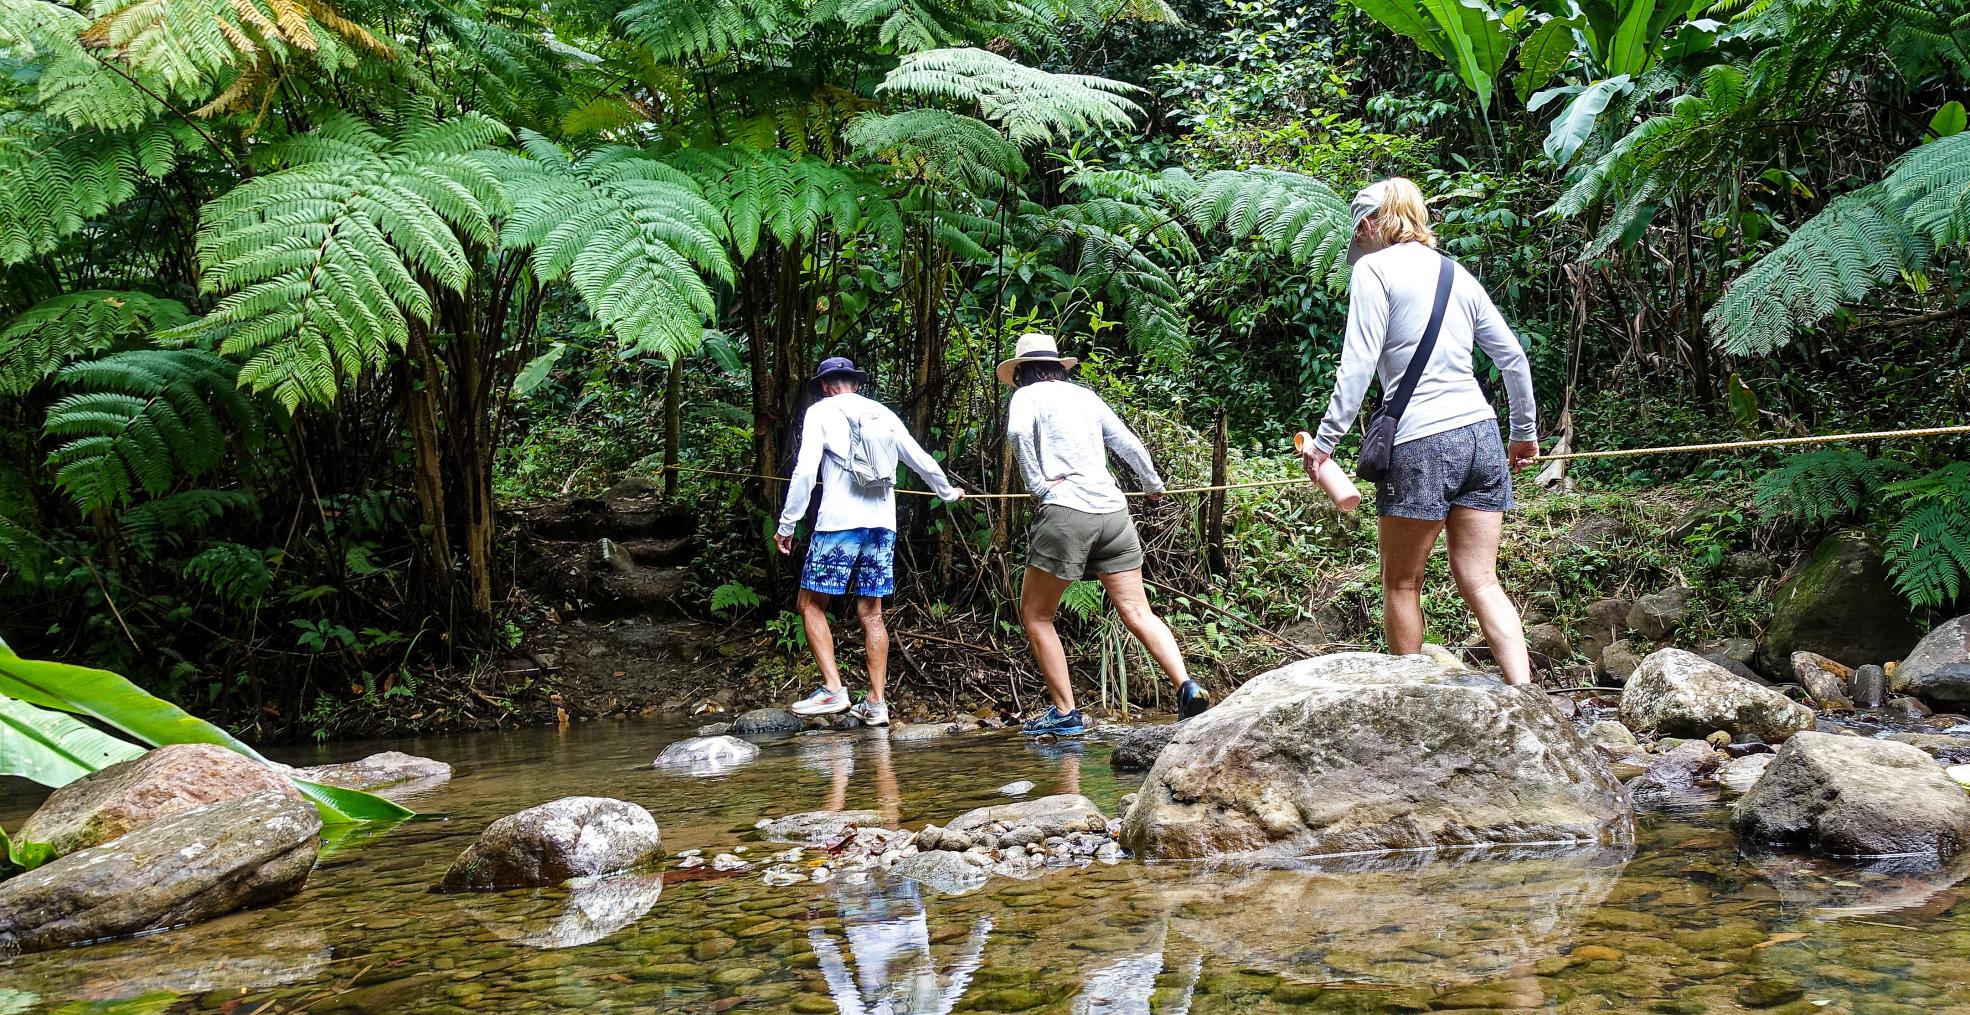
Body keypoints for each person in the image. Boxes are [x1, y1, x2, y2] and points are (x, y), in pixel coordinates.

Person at [1300, 178, 1540, 684]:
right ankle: (1526, 695)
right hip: (1480, 436)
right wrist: (1523, 432)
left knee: (1401, 583)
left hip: (1421, 442)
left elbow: (1358, 365)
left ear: (1368, 225)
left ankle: (1409, 702)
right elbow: (1513, 359)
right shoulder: (1456, 273)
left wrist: (1323, 445)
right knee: (1481, 579)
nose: (1357, 247)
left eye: (1357, 236)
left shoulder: (1373, 269)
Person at [1000, 333, 1210, 736]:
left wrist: (1040, 487)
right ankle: (1187, 686)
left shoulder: (1027, 397)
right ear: (1058, 367)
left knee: (1037, 615)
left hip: (1067, 513)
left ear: (1022, 372)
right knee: (1138, 611)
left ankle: (1065, 714)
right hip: (1114, 513)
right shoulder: (1086, 397)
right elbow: (1127, 443)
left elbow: (1017, 435)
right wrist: (1152, 485)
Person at [777, 356, 962, 725]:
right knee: (872, 613)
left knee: (810, 604)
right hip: (881, 526)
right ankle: (876, 703)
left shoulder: (821, 412)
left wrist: (787, 523)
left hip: (838, 525)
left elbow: (804, 470)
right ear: (855, 384)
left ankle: (832, 689)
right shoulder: (883, 413)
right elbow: (920, 459)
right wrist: (946, 492)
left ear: (827, 386)